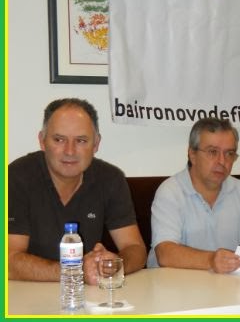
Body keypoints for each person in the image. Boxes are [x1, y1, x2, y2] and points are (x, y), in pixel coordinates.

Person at [8, 98, 147, 285]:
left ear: (96, 144)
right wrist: (76, 271)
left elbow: (135, 248)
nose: (70, 151)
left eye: (81, 141)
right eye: (59, 139)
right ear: (42, 141)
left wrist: (113, 264)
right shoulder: (16, 177)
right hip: (26, 292)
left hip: (86, 294)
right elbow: (8, 260)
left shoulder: (110, 178)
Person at [148, 118, 240, 273]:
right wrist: (211, 260)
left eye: (229, 153)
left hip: (225, 284)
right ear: (192, 154)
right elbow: (165, 254)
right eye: (212, 152)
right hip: (174, 284)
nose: (222, 161)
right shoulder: (171, 192)